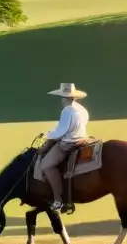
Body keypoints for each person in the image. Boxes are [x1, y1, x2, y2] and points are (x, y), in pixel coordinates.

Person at [37, 83, 89, 212]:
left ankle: (58, 200)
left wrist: (47, 135)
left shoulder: (67, 111)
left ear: (64, 98)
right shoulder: (80, 108)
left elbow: (60, 132)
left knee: (46, 165)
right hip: (83, 138)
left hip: (70, 142)